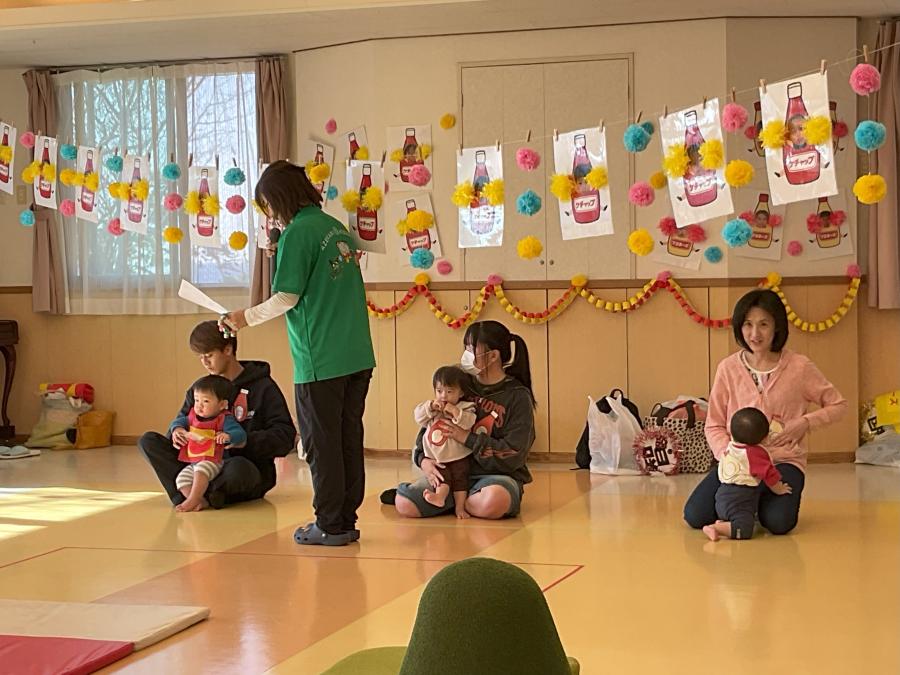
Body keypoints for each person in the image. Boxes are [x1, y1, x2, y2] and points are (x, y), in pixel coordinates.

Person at [221, 160, 375, 546]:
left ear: (279, 198)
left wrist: (243, 318)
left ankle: (329, 524)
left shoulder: (297, 233)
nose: (270, 215)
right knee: (347, 439)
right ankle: (345, 520)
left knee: (322, 444)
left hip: (320, 358)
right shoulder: (333, 227)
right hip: (357, 354)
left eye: (269, 206)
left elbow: (287, 297)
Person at [683, 289, 847, 535]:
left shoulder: (799, 367)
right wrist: (729, 454)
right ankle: (749, 501)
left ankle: (753, 504)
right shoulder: (728, 368)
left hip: (783, 461)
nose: (755, 334)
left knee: (779, 523)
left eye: (763, 324)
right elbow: (714, 424)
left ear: (777, 327)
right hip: (737, 462)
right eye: (747, 324)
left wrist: (805, 422)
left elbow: (838, 405)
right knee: (695, 515)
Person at [138, 321, 296, 510]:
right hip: (198, 464)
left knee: (239, 468)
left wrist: (244, 442)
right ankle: (198, 496)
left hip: (241, 467)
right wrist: (177, 433)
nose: (205, 362)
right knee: (148, 441)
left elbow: (285, 436)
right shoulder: (200, 389)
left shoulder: (264, 387)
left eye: (209, 355)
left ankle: (196, 495)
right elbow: (183, 422)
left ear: (228, 350)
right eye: (200, 357)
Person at [388, 320, 536, 520]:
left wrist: (467, 437)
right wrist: (423, 461)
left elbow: (514, 453)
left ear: (493, 356)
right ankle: (455, 500)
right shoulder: (460, 383)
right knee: (404, 503)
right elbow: (430, 426)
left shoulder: (517, 396)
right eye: (465, 348)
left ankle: (458, 501)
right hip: (449, 473)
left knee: (494, 500)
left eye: (472, 349)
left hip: (495, 478)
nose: (466, 354)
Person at [702, 407, 792, 542]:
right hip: (740, 499)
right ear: (764, 438)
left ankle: (724, 524)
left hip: (721, 496)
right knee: (745, 529)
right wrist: (779, 488)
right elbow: (769, 474)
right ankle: (715, 528)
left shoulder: (731, 446)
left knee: (739, 517)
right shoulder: (755, 453)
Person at [170, 375, 248, 513]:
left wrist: (228, 436)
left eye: (205, 401)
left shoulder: (224, 419)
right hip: (194, 461)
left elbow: (240, 434)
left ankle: (192, 499)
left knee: (202, 470)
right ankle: (201, 501)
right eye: (196, 400)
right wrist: (177, 430)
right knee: (181, 480)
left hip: (214, 460)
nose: (199, 405)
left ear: (222, 404)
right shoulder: (192, 416)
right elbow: (178, 422)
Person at [414, 366, 478, 519]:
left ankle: (460, 508)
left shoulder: (465, 407)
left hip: (459, 456)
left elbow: (469, 422)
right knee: (441, 479)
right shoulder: (432, 409)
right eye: (439, 391)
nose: (444, 396)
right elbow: (418, 417)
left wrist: (455, 412)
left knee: (460, 482)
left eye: (450, 392)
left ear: (460, 393)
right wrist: (430, 406)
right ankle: (440, 497)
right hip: (437, 458)